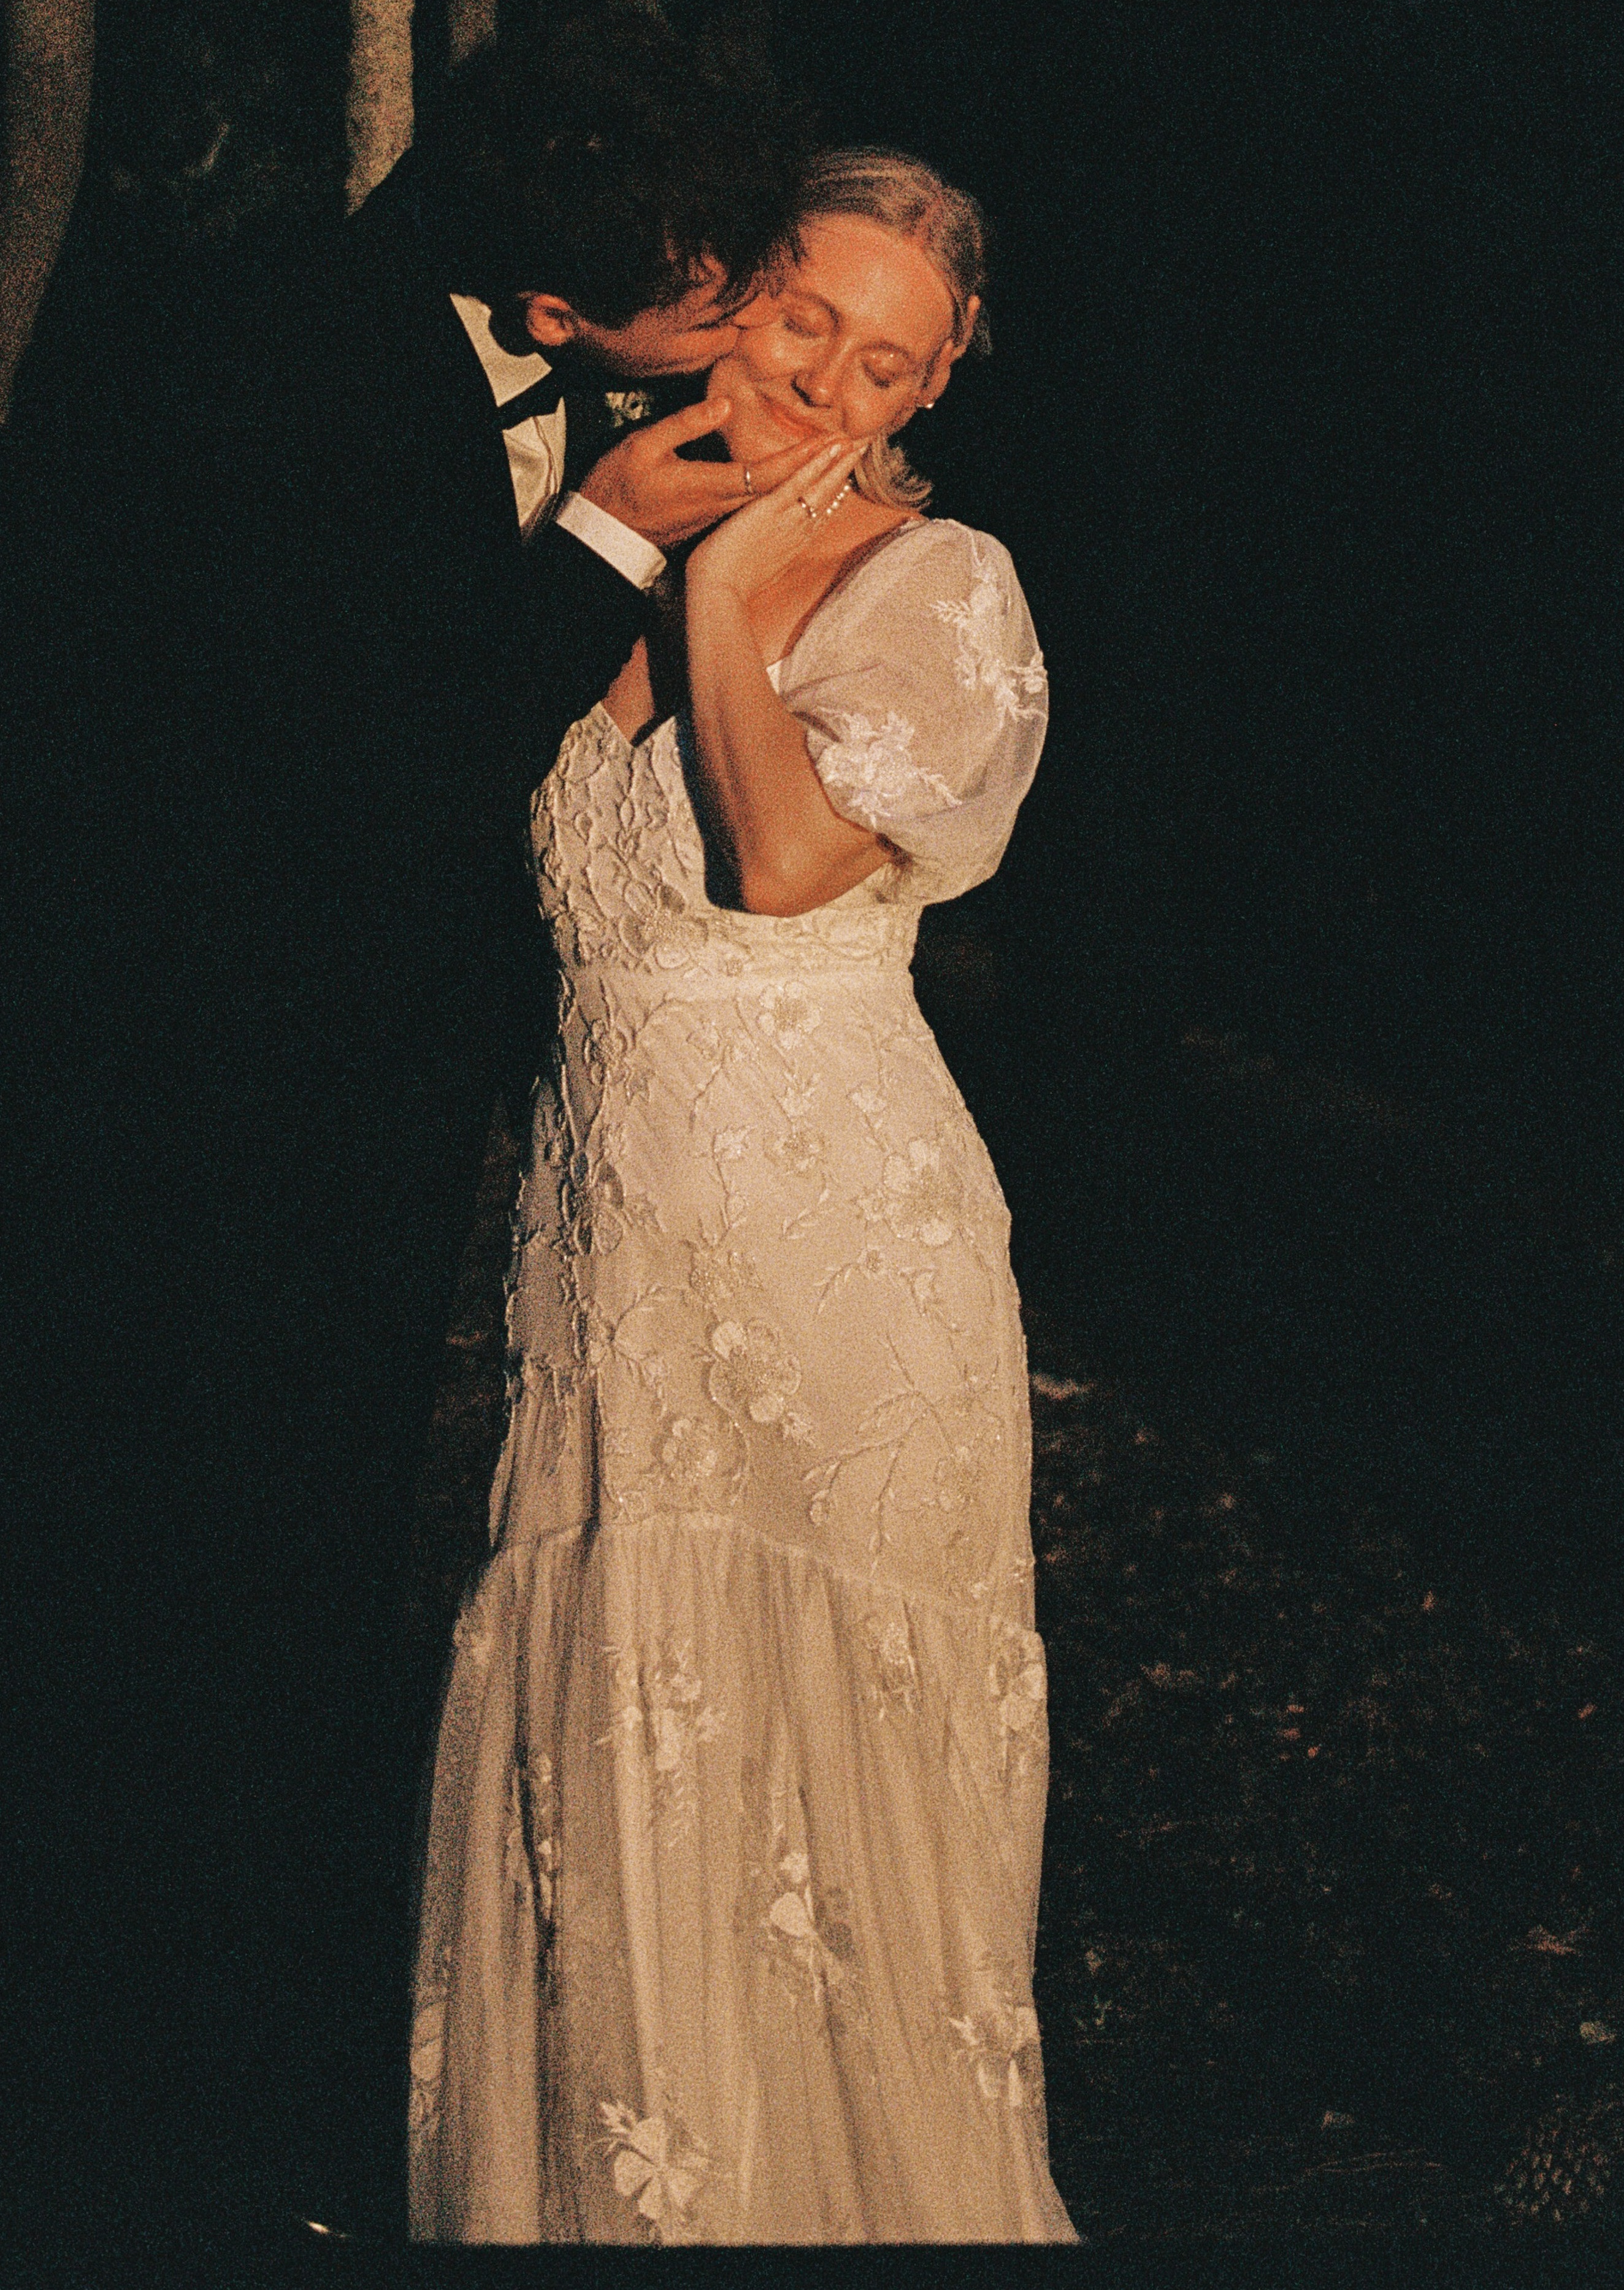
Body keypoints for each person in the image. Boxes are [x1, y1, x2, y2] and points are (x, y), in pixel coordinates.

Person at [0, 12, 817, 2251]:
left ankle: (194, 2058)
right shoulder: (285, 373)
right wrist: (608, 534)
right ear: (552, 309)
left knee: (276, 1589)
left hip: (304, 1101)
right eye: (703, 310)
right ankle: (141, 2122)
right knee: (192, 1606)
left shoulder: (365, 322)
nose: (721, 350)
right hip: (209, 1112)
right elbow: (364, 769)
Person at [407, 148, 1075, 2245]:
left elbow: (784, 862)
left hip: (831, 1253)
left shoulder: (937, 585)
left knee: (818, 1791)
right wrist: (644, 549)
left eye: (886, 359)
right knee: (615, 1771)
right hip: (611, 1245)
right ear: (726, 294)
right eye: (802, 317)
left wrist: (713, 593)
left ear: (935, 381)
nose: (827, 382)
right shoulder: (568, 539)